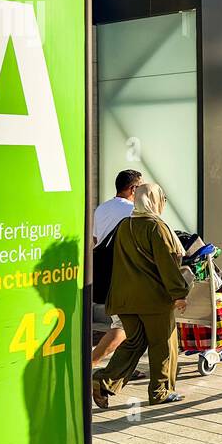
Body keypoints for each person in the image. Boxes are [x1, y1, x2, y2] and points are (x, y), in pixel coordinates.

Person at [93, 183, 189, 409]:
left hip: (124, 299)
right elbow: (167, 264)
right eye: (161, 198)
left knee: (134, 342)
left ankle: (103, 380)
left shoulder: (125, 225)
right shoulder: (156, 227)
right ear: (154, 200)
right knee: (163, 344)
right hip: (153, 300)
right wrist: (179, 294)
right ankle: (161, 392)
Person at [91, 170, 142, 368]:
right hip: (124, 275)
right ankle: (90, 364)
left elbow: (96, 241)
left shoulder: (101, 209)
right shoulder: (132, 211)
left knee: (130, 324)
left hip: (104, 274)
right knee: (123, 326)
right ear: (134, 188)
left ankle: (125, 366)